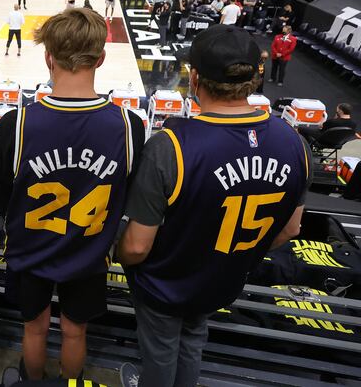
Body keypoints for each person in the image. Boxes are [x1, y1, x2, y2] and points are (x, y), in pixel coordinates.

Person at [118, 25, 310, 387]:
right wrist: (234, 256)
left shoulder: (171, 145)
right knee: (192, 341)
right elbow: (291, 229)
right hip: (223, 279)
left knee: (160, 351)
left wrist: (122, 259)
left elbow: (137, 246)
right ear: (256, 78)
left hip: (166, 282)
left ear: (194, 78)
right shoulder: (295, 144)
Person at [0, 8, 144, 381]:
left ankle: (33, 381)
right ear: (102, 58)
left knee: (35, 328)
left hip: (30, 252)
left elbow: (3, 199)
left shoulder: (16, 124)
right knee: (76, 330)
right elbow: (127, 196)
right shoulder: (129, 126)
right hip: (89, 254)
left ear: (48, 57)